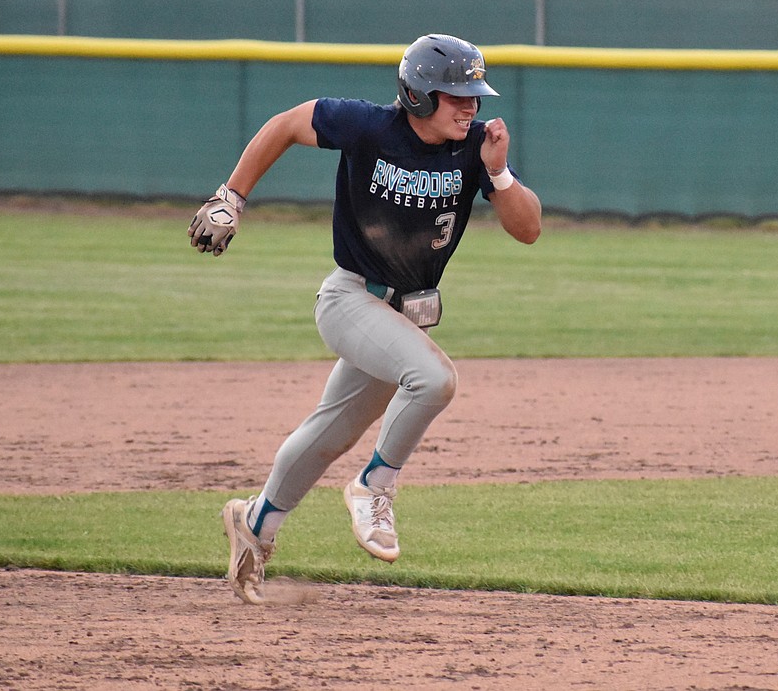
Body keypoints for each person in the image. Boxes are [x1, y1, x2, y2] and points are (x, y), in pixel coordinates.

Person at [188, 33, 542, 604]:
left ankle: (254, 526)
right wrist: (234, 195)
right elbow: (285, 124)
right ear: (420, 95)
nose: (471, 104)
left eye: (475, 93)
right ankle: (374, 486)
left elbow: (528, 229)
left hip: (405, 316)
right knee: (434, 379)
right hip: (351, 299)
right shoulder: (367, 126)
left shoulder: (475, 146)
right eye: (456, 94)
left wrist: (498, 175)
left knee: (330, 432)